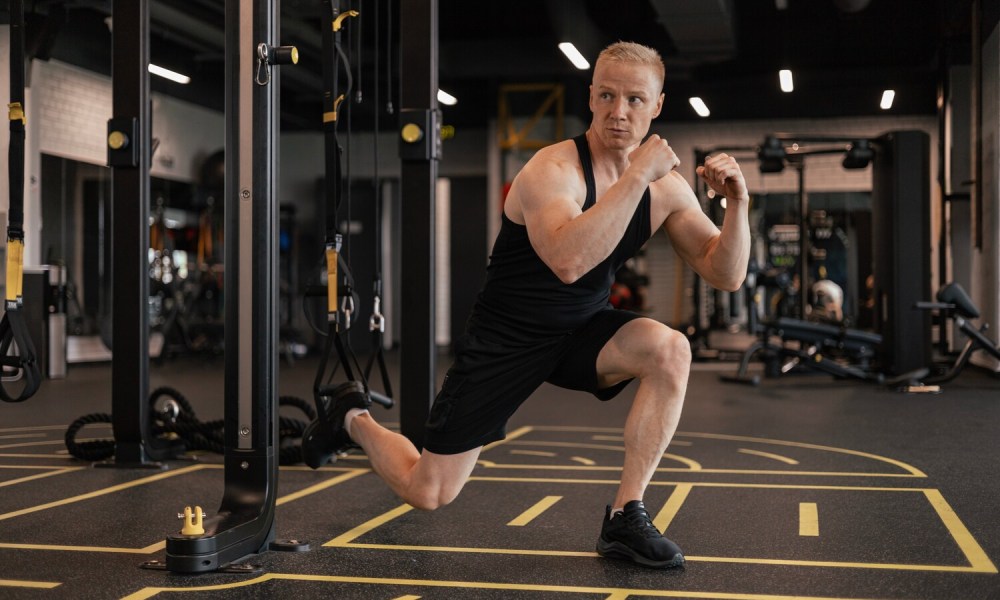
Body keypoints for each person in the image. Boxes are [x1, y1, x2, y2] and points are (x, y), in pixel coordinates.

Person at [302, 40, 750, 569]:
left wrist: (739, 203)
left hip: (582, 330)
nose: (618, 112)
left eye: (634, 100)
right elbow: (568, 260)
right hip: (507, 338)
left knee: (670, 350)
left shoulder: (666, 189)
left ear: (657, 105)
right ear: (590, 96)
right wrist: (634, 176)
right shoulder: (552, 169)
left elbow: (725, 272)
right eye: (606, 95)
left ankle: (627, 515)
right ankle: (350, 415)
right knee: (429, 491)